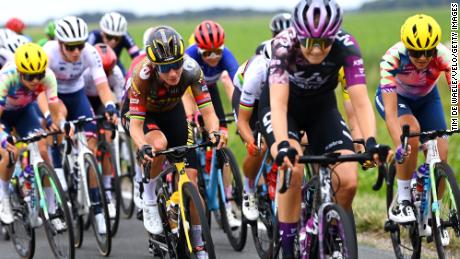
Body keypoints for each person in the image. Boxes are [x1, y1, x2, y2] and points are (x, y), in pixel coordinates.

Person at [263, 0, 384, 257]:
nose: (316, 50)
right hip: (286, 109)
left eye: (325, 43)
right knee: (292, 169)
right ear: (298, 34)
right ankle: (287, 245)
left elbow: (360, 100)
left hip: (321, 109)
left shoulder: (347, 45)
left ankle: (326, 229)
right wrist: (283, 144)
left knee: (349, 180)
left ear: (335, 35)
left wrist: (371, 141)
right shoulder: (284, 45)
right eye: (309, 42)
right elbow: (278, 104)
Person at [121, 26, 224, 257]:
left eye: (176, 64)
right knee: (158, 144)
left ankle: (199, 243)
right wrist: (142, 146)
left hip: (171, 111)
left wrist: (215, 132)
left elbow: (208, 112)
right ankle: (148, 196)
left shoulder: (191, 70)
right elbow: (136, 127)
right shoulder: (142, 75)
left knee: (192, 179)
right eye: (166, 68)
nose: (173, 73)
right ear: (155, 66)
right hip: (141, 114)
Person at [375, 14, 451, 236]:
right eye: (417, 52)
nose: (423, 57)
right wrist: (401, 143)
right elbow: (390, 114)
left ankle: (432, 218)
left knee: (441, 154)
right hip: (397, 100)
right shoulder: (392, 59)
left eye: (428, 52)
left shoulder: (445, 57)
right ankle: (404, 199)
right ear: (407, 47)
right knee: (412, 134)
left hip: (428, 99)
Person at [43, 15, 118, 235]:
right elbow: (43, 92)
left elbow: (103, 86)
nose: (76, 51)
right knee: (58, 128)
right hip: (53, 95)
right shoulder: (49, 53)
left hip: (77, 94)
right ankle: (59, 172)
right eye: (70, 47)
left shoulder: (89, 52)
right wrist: (54, 117)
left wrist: (110, 106)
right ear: (60, 43)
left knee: (91, 150)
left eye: (79, 45)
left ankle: (97, 210)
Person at [0, 43, 66, 229]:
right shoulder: (6, 78)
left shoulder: (48, 76)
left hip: (23, 112)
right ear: (20, 72)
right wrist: (4, 138)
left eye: (40, 75)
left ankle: (52, 210)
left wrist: (61, 124)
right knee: (9, 154)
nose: (36, 80)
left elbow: (55, 112)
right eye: (30, 76)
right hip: (3, 116)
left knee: (43, 150)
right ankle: (3, 198)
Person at [185, 20, 240, 227]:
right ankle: (198, 174)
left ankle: (227, 200)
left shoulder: (227, 56)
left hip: (210, 91)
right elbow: (183, 91)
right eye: (207, 53)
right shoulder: (190, 56)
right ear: (199, 50)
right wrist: (193, 116)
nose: (213, 57)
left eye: (217, 51)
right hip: (190, 91)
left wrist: (240, 114)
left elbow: (237, 87)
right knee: (194, 126)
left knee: (221, 142)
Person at [232, 42, 272, 221]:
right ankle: (249, 190)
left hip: (275, 96)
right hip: (249, 100)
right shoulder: (256, 74)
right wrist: (250, 142)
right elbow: (243, 121)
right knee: (259, 146)